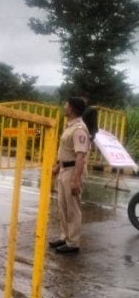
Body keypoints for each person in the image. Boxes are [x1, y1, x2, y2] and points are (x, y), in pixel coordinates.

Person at [49, 96, 91, 255]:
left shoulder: (79, 129)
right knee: (63, 206)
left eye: (66, 104)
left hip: (73, 172)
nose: (64, 106)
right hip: (65, 170)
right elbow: (68, 151)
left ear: (72, 109)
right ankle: (64, 237)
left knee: (72, 208)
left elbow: (80, 156)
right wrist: (58, 166)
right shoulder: (70, 126)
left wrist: (76, 180)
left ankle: (73, 243)